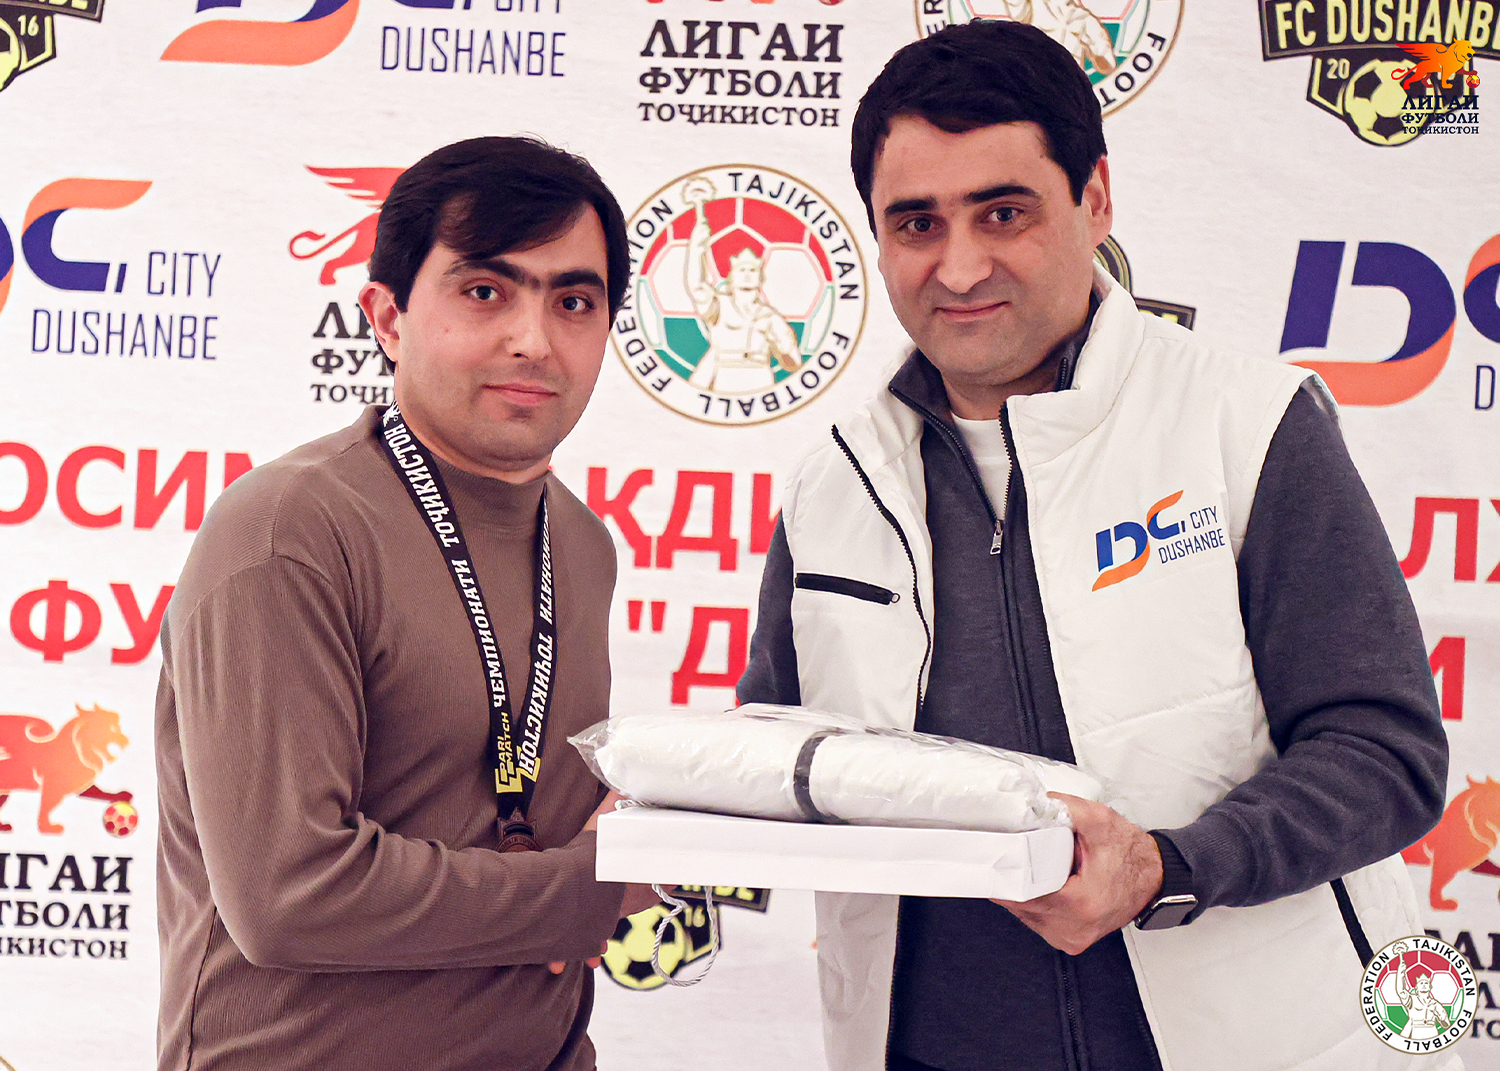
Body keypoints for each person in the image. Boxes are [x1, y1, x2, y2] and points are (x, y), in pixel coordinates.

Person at [737, 21, 1450, 1071]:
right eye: (917, 223)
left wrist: (1168, 867)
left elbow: (1385, 754)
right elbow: (781, 755)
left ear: (1097, 200)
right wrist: (660, 808)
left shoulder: (1247, 423)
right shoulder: (832, 482)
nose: (960, 265)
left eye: (1004, 212)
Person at [156, 136, 654, 1071]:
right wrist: (585, 890)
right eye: (485, 291)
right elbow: (289, 896)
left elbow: (516, 808)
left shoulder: (582, 544)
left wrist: (644, 821)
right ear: (387, 317)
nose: (534, 339)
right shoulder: (290, 529)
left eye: (574, 302)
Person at [682, 176, 801, 393]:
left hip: (761, 381)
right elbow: (697, 286)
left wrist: (781, 344)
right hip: (724, 378)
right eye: (742, 270)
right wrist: (696, 247)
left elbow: (794, 362)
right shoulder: (719, 307)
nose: (747, 275)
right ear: (731, 276)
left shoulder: (770, 316)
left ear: (760, 277)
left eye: (752, 270)